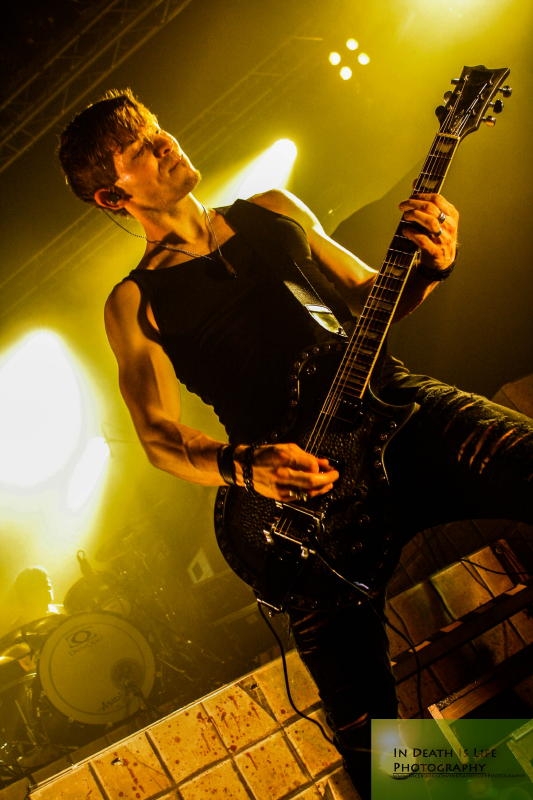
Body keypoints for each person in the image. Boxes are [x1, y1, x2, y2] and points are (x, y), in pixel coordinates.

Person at [57, 88, 533, 799]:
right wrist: (243, 468)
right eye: (141, 150)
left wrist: (434, 264)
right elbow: (157, 437)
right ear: (111, 196)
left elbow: (371, 297)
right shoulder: (136, 302)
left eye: (159, 130)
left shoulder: (272, 209)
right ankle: (512, 775)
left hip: (398, 411)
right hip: (304, 503)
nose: (166, 144)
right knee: (373, 747)